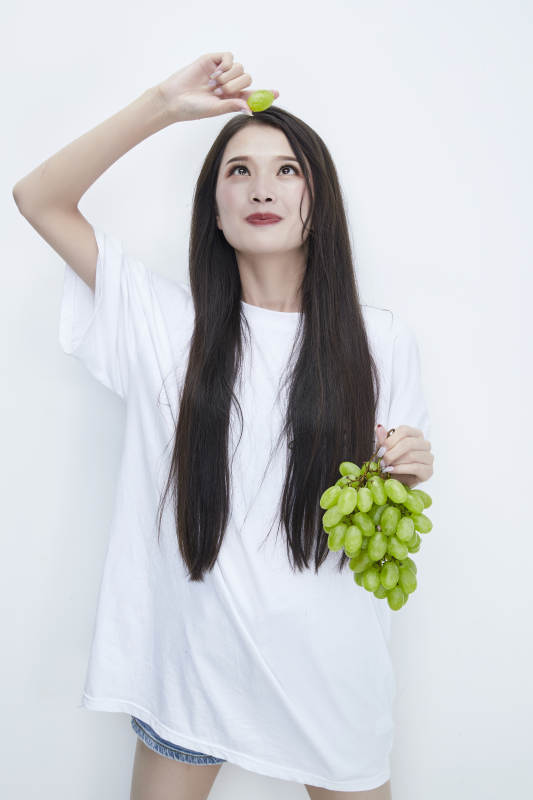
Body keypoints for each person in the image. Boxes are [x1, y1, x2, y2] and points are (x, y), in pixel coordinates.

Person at [13, 51, 434, 800]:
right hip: (190, 674)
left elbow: (386, 492)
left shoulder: (379, 340)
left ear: (318, 199)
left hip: (332, 674)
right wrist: (163, 105)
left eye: (287, 170)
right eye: (237, 171)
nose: (261, 187)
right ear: (212, 207)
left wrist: (410, 462)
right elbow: (38, 197)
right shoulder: (163, 326)